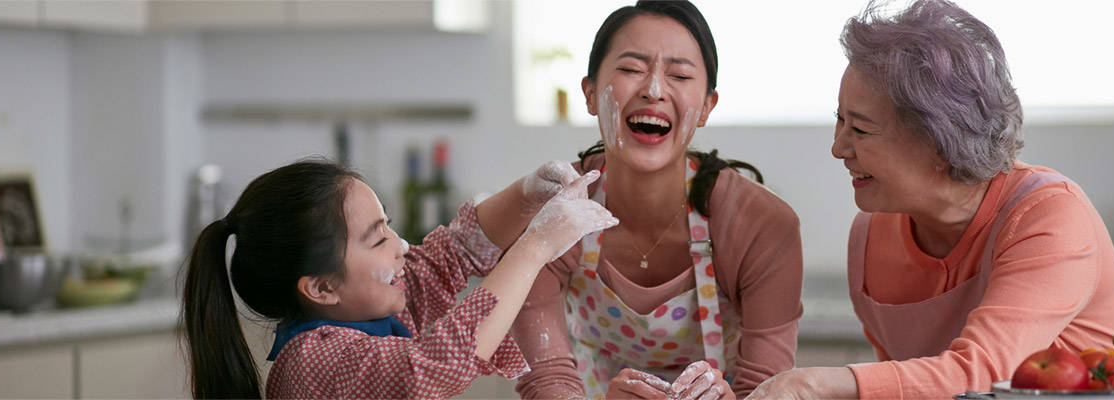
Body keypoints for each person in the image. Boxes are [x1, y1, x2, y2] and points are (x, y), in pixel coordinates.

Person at [751, 1, 1114, 398]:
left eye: (861, 130)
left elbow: (983, 372)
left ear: (940, 143)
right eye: (840, 120)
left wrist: (814, 383)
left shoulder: (1049, 216)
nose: (838, 147)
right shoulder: (870, 236)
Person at [475, 1, 804, 398]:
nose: (652, 90)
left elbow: (767, 391)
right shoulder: (553, 215)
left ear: (706, 108)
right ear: (591, 93)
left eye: (679, 75)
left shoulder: (762, 224)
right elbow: (546, 380)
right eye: (631, 69)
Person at [178, 160, 617, 399]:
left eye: (388, 225)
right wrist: (535, 245)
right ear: (322, 287)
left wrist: (524, 195)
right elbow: (432, 367)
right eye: (377, 239)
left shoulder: (376, 304)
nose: (402, 245)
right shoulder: (312, 364)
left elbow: (453, 252)